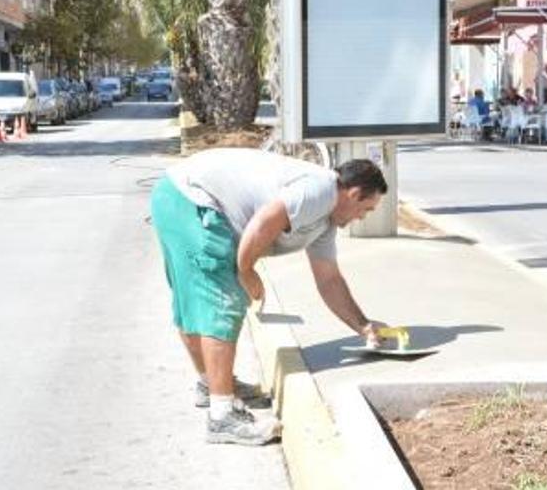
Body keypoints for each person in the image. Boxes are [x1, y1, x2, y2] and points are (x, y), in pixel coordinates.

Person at [150, 148, 390, 446]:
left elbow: (329, 279)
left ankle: (210, 384)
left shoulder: (325, 222)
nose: (361, 218)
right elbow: (265, 221)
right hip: (192, 200)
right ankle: (222, 416)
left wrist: (363, 326)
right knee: (222, 303)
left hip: (176, 198)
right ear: (353, 194)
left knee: (194, 301)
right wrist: (247, 271)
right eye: (365, 210)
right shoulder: (320, 190)